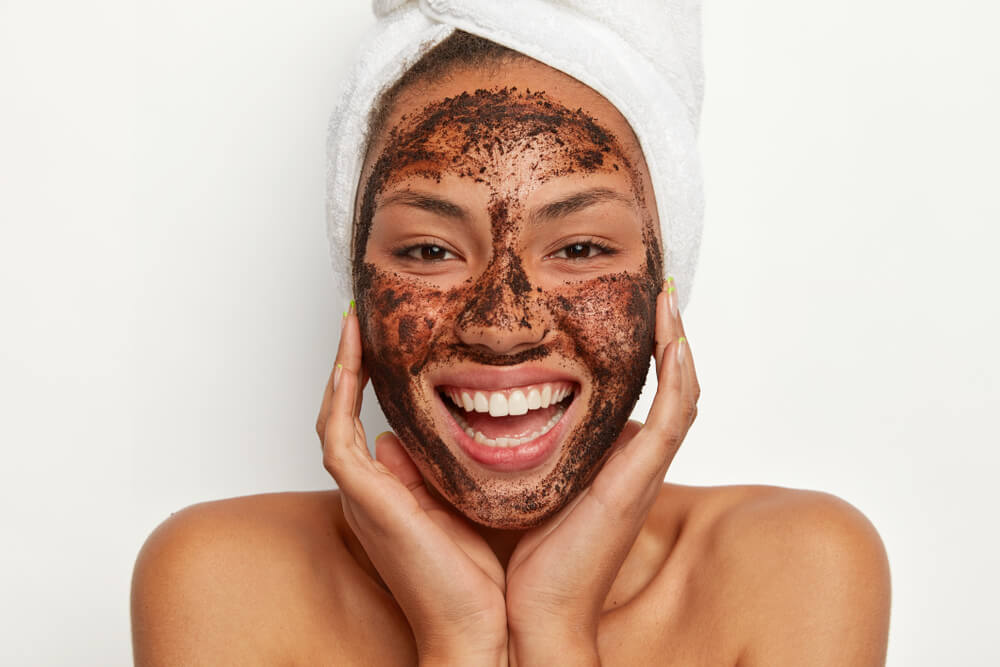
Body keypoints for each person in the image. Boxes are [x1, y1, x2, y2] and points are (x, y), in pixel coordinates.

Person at [131, 11, 891, 667]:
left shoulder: (799, 568)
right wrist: (459, 641)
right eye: (429, 250)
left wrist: (555, 628)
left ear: (666, 282)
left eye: (582, 248)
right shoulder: (219, 580)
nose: (504, 323)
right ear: (356, 287)